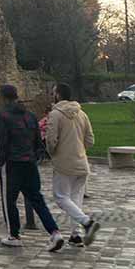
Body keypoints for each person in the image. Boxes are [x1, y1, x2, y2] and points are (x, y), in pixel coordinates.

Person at [0, 84, 64, 251]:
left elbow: (3, 142)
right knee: (36, 199)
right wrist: (36, 155)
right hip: (30, 162)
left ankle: (14, 235)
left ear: (4, 97)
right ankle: (54, 232)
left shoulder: (3, 115)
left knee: (9, 201)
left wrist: (0, 162)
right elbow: (37, 140)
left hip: (12, 163)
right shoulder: (30, 115)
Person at [46, 83, 101, 247]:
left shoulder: (55, 114)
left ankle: (87, 223)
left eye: (53, 92)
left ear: (58, 95)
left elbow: (51, 140)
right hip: (81, 162)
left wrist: (53, 153)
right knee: (75, 199)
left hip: (64, 163)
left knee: (61, 197)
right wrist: (79, 150)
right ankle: (75, 236)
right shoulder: (82, 113)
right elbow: (90, 139)